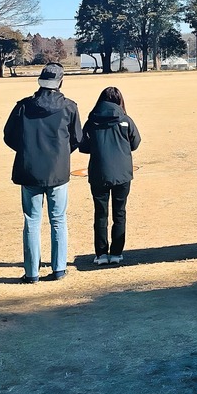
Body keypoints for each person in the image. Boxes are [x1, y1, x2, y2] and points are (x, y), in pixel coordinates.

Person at [3, 62, 82, 282]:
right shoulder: (69, 107)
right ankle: (58, 269)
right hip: (58, 171)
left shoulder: (24, 106)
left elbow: (9, 136)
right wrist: (61, 153)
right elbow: (77, 138)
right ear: (60, 82)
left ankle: (32, 273)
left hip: (29, 170)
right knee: (58, 220)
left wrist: (27, 149)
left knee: (32, 221)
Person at [79, 87, 141, 266]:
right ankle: (116, 253)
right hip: (122, 173)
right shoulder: (125, 120)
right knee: (119, 213)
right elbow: (135, 143)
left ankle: (100, 254)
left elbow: (83, 146)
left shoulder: (92, 121)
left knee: (100, 214)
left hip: (98, 172)